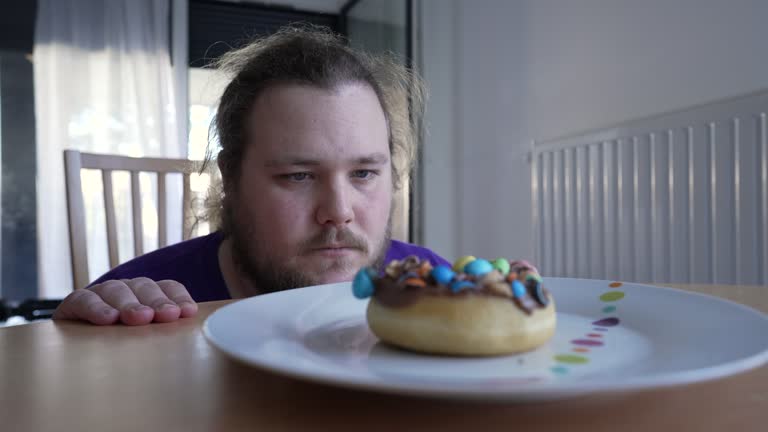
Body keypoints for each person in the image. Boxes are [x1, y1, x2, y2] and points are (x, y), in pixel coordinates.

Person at [52, 26, 449, 326]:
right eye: (298, 176)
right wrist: (74, 349)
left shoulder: (436, 288)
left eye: (363, 172)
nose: (338, 211)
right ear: (231, 178)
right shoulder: (146, 310)